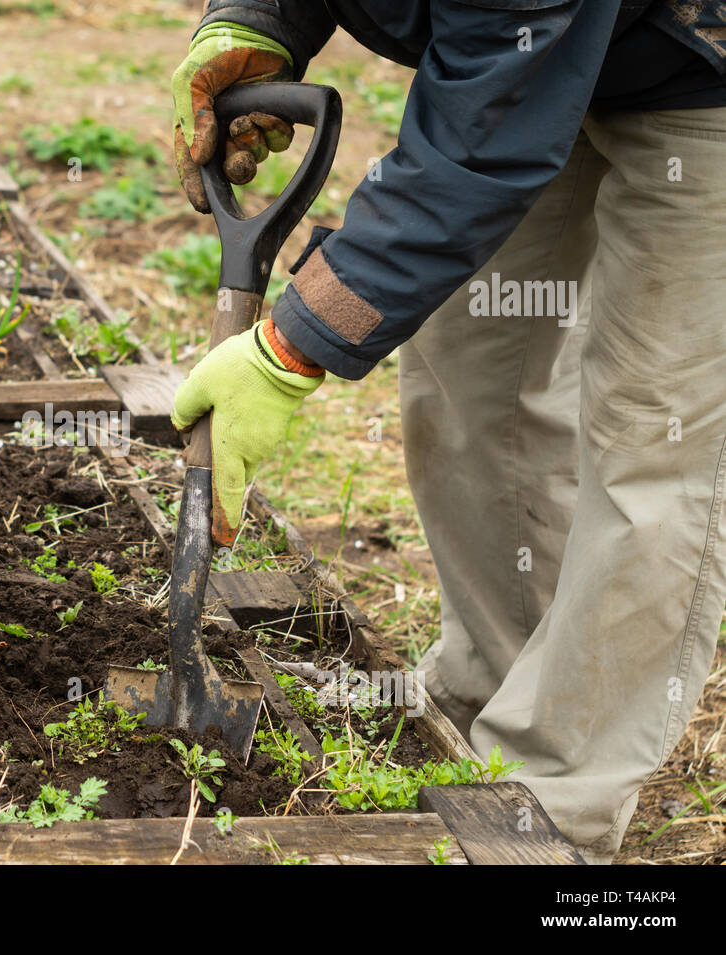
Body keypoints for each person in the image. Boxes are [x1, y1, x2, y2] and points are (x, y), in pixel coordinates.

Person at [168, 0, 726, 864]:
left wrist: (289, 349)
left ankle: (550, 799)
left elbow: (478, 147)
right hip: (521, 58)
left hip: (701, 67)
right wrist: (261, 15)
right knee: (469, 367)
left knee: (654, 436)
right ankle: (488, 686)